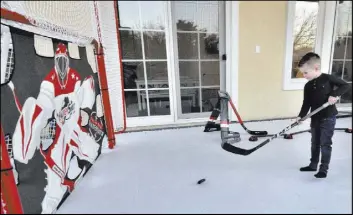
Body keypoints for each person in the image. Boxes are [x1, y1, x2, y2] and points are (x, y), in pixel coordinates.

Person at [12, 43, 100, 213]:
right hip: (59, 129)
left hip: (72, 124)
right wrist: (40, 120)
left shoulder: (74, 77)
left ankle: (74, 166)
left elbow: (84, 91)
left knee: (91, 150)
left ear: (67, 60)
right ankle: (51, 202)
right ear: (55, 61)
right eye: (58, 60)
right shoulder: (49, 81)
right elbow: (44, 103)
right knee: (55, 180)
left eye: (64, 60)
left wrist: (86, 110)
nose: (61, 64)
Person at [295, 52, 351, 178]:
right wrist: (301, 116)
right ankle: (313, 165)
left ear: (315, 68)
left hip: (328, 117)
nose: (304, 76)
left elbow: (345, 85)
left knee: (325, 143)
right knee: (314, 142)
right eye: (302, 73)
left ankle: (323, 169)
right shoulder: (308, 86)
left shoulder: (327, 78)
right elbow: (306, 102)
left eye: (305, 72)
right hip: (315, 117)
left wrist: (335, 95)